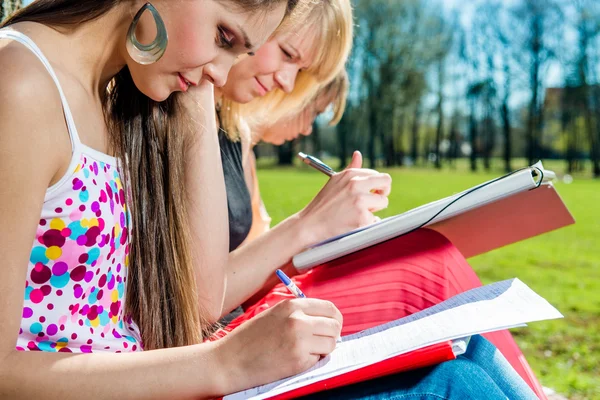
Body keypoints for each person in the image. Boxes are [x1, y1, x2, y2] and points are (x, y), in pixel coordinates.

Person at [0, 1, 540, 399]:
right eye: (224, 35)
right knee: (452, 386)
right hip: (170, 378)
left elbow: (198, 294)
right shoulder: (23, 85)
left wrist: (195, 89)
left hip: (163, 375)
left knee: (468, 366)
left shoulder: (117, 91)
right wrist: (223, 364)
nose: (221, 71)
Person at [210, 2, 547, 396]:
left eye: (300, 72)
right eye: (288, 55)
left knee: (460, 335)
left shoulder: (225, 132)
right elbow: (203, 293)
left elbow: (246, 269)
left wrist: (330, 238)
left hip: (245, 323)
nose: (288, 85)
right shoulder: (196, 121)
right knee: (429, 265)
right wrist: (311, 226)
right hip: (232, 341)